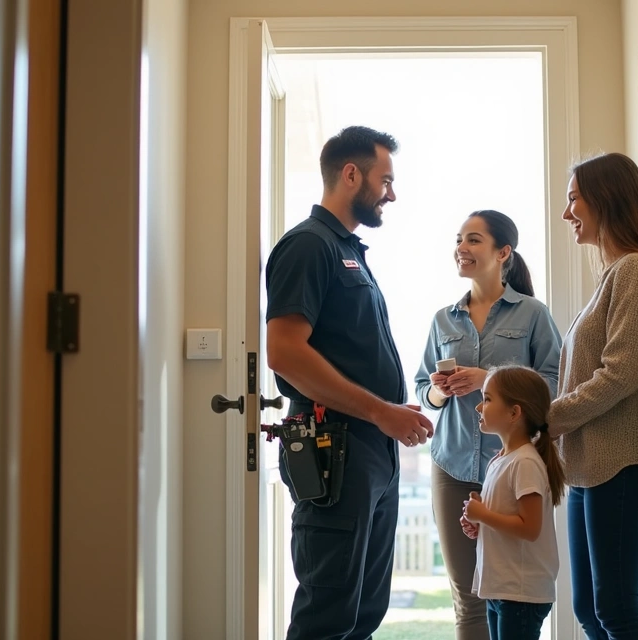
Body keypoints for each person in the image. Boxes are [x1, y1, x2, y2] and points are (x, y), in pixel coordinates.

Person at [264, 125, 435, 640]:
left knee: (364, 612)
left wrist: (389, 415)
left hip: (371, 448)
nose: (391, 194)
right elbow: (285, 353)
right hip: (333, 447)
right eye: (386, 180)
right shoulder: (308, 246)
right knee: (328, 614)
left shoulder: (350, 251)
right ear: (352, 174)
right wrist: (381, 411)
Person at [413, 210, 561, 640]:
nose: (462, 247)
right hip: (453, 465)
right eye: (459, 239)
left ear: (503, 252)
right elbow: (422, 390)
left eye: (473, 239)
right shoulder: (443, 320)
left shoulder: (533, 314)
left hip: (512, 469)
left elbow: (554, 383)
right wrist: (439, 391)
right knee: (469, 597)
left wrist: (488, 379)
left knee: (510, 592)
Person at [548, 152, 638, 640]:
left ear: (606, 198)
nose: (567, 213)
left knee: (614, 610)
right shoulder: (613, 275)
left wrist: (545, 419)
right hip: (590, 465)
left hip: (622, 463)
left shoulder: (635, 270)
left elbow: (619, 376)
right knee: (589, 609)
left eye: (574, 199)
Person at [460, 365, 566, 640]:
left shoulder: (525, 462)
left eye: (487, 399)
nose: (478, 407)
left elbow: (529, 528)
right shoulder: (501, 461)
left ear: (514, 413)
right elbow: (507, 518)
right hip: (502, 588)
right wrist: (479, 523)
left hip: (520, 593)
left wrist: (483, 515)